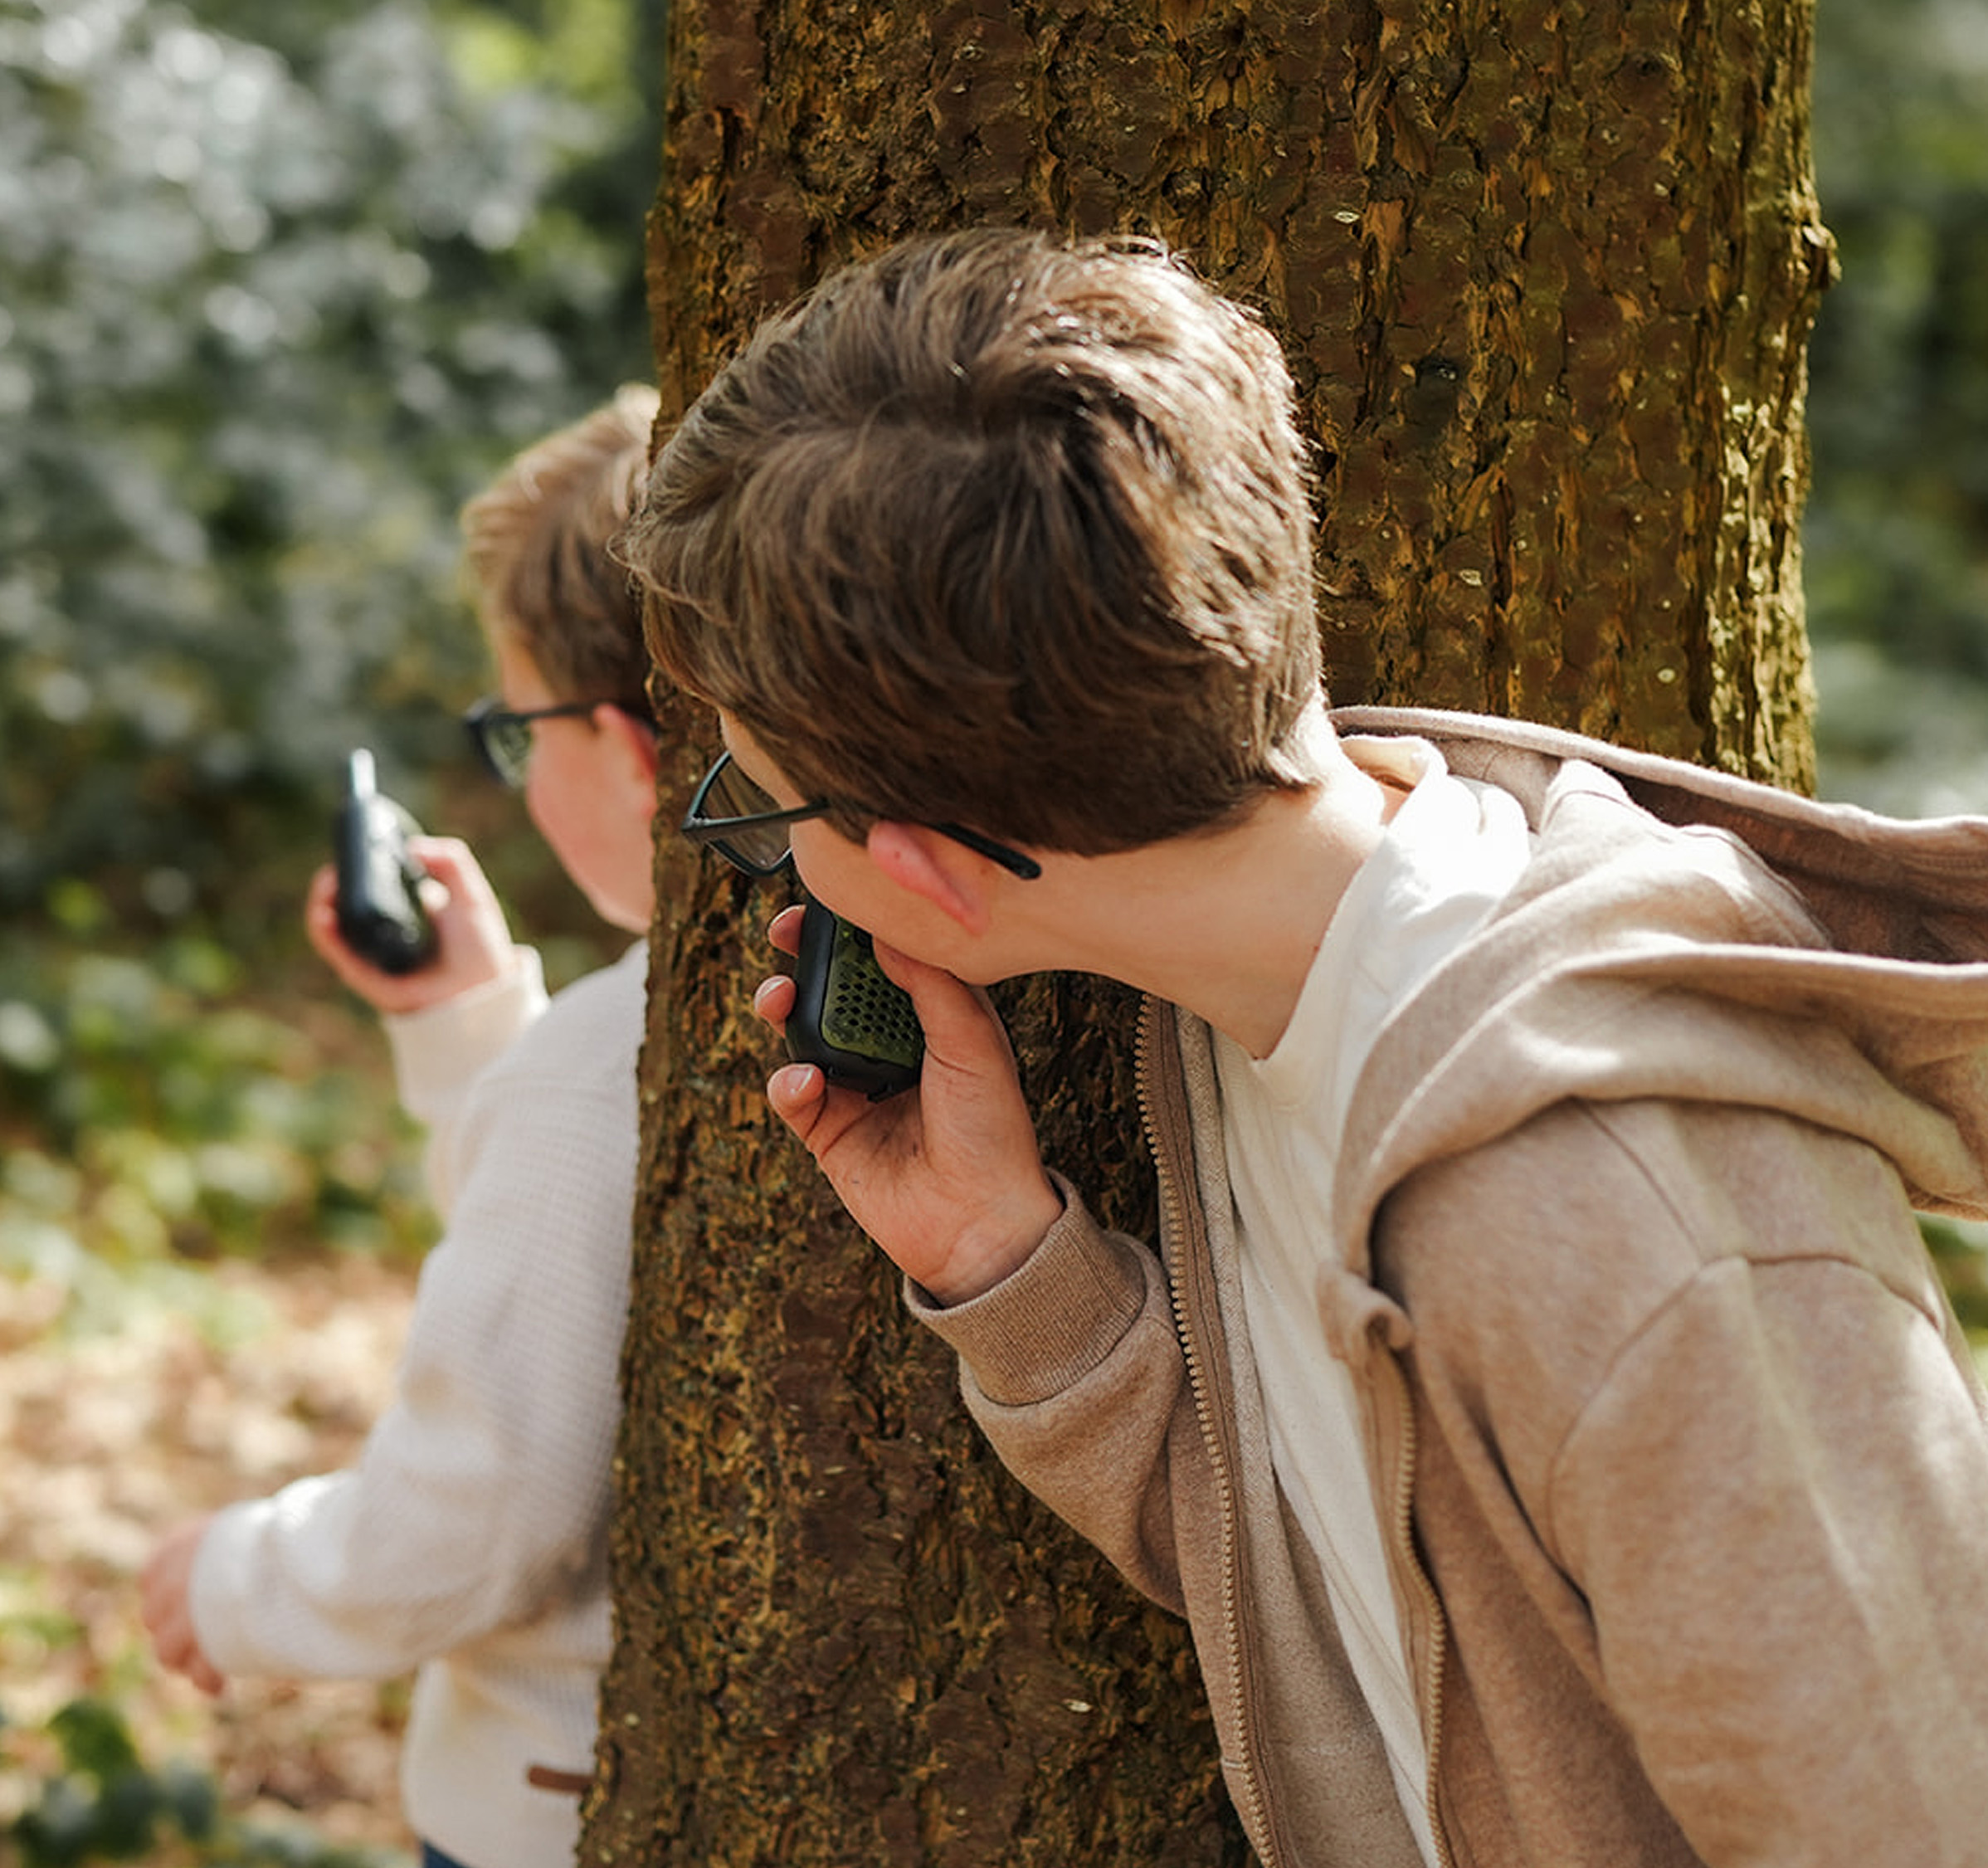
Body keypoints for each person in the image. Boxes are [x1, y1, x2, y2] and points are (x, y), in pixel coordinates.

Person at [614, 229, 1988, 1868]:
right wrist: (1017, 1275)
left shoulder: (1628, 1230)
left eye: (762, 808)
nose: (768, 854)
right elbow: (1383, 1584)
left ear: (912, 860)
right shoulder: (1250, 1007)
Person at [140, 386, 661, 1868]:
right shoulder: (836, 988)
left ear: (623, 748)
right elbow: (592, 1240)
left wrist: (236, 1581)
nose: (516, 769)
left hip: (543, 1817)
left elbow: (475, 1515)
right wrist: (470, 1026)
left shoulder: (593, 1073)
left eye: (518, 731)